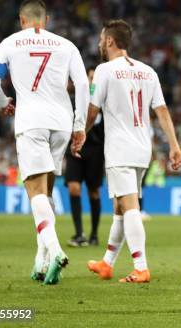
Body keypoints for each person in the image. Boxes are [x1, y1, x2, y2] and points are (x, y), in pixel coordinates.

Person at [0, 0, 89, 285]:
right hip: (62, 123)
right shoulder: (66, 45)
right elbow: (82, 84)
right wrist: (80, 125)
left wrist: (3, 102)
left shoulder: (9, 43)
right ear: (47, 19)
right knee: (47, 192)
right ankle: (41, 261)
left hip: (31, 122)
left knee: (35, 192)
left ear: (22, 20)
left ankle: (55, 251)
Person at [83, 20, 181, 283]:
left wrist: (80, 133)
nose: (99, 44)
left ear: (111, 42)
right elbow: (161, 110)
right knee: (120, 205)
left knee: (129, 207)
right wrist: (174, 145)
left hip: (119, 148)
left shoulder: (105, 70)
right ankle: (107, 263)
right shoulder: (148, 71)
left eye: (102, 40)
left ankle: (141, 266)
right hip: (142, 148)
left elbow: (93, 111)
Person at [66, 67, 104, 247]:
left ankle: (94, 234)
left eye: (95, 78)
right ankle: (79, 233)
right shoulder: (75, 100)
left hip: (96, 150)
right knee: (74, 188)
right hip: (75, 148)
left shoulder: (105, 101)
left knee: (93, 191)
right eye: (90, 77)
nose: (92, 81)